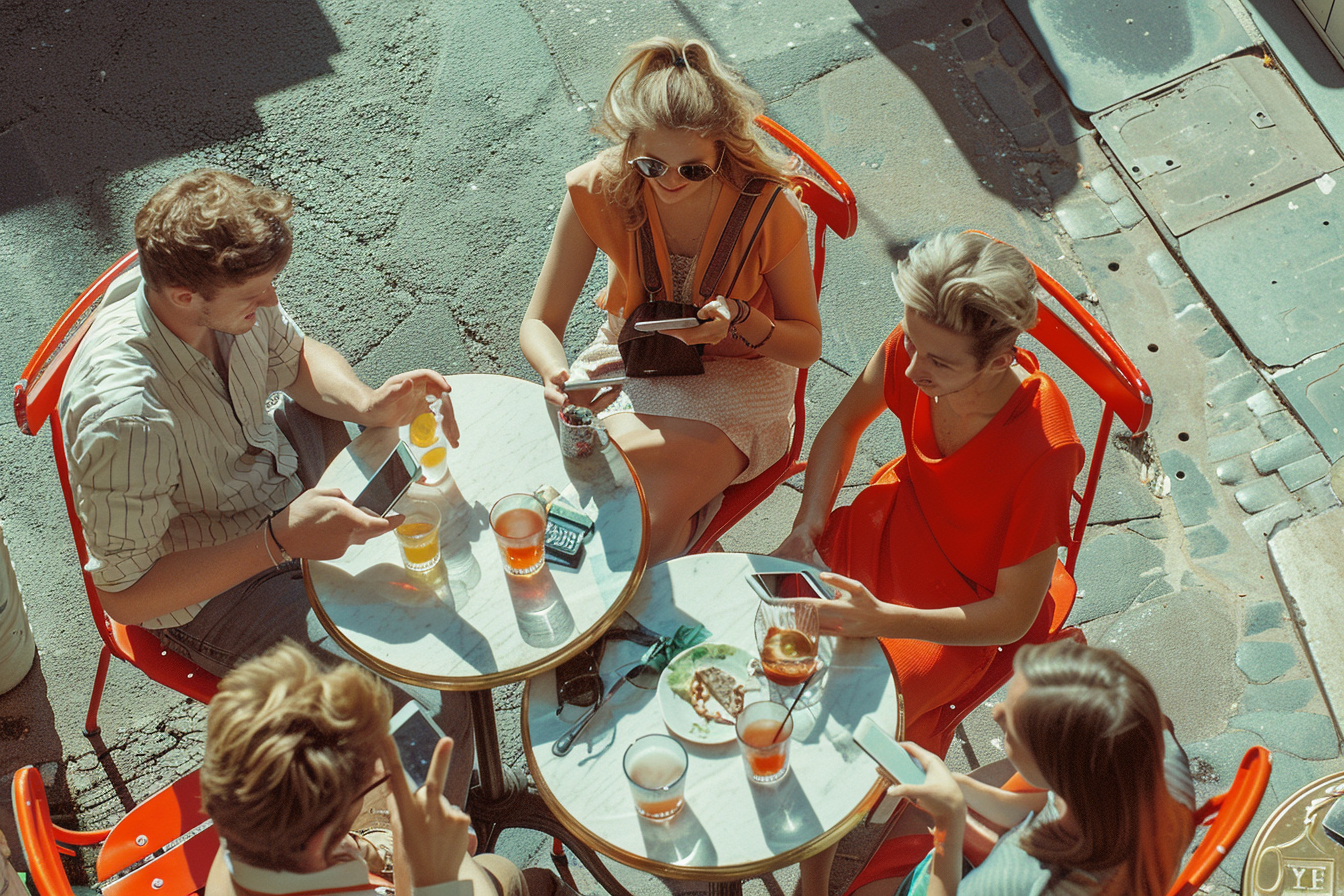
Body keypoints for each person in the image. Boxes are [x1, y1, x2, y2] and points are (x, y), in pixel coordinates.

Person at [60, 169, 471, 797]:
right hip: (216, 589)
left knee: (446, 513)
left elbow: (297, 355)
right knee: (433, 708)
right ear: (182, 295)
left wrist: (367, 404)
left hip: (270, 481)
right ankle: (442, 866)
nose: (274, 304)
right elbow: (126, 595)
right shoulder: (126, 419)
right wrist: (279, 541)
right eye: (256, 295)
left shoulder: (226, 306)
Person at [520, 36, 822, 563]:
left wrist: (740, 320)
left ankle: (683, 546)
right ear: (629, 145)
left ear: (722, 151)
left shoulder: (771, 210)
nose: (670, 181)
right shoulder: (600, 187)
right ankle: (692, 543)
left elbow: (806, 347)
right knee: (611, 518)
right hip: (631, 360)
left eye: (693, 169)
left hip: (740, 378)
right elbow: (539, 322)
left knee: (620, 527)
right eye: (651, 165)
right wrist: (556, 374)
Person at [775, 231, 1086, 739]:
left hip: (962, 612)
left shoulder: (1046, 449)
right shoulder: (915, 347)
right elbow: (842, 426)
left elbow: (1010, 617)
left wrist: (882, 619)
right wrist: (808, 522)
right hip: (887, 523)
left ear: (999, 361)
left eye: (940, 362)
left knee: (841, 723)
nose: (914, 367)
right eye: (912, 342)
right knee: (764, 632)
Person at [201, 642, 572, 896]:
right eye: (374, 775)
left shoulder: (244, 837)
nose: (382, 765)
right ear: (319, 844)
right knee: (506, 872)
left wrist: (381, 845)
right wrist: (441, 868)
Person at [859, 640, 1196, 896]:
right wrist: (959, 786)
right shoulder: (1155, 761)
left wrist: (949, 824)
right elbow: (1042, 808)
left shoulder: (1024, 880)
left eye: (1010, 729)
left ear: (1056, 768)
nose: (995, 712)